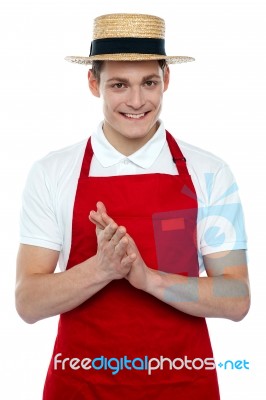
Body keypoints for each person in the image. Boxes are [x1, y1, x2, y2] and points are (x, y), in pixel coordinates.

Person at [15, 13, 250, 400]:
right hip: (80, 386)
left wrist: (148, 279)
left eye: (149, 83)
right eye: (120, 84)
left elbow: (237, 298)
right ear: (94, 83)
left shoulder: (210, 173)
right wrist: (102, 268)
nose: (137, 101)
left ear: (167, 80)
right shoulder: (52, 173)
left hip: (182, 384)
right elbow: (28, 302)